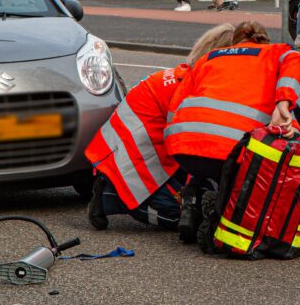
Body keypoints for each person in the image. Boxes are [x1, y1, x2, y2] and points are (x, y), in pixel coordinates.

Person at [165, 21, 300, 244]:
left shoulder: (210, 57)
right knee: (287, 123)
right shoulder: (275, 52)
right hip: (230, 151)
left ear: (234, 42)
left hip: (183, 145)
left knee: (205, 151)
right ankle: (219, 212)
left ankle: (192, 196)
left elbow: (176, 103)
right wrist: (284, 100)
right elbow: (298, 60)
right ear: (264, 40)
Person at [85, 23, 235, 231]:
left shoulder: (185, 76)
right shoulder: (191, 89)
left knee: (202, 194)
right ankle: (111, 197)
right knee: (190, 216)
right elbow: (193, 146)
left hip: (121, 153)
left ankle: (113, 186)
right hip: (129, 161)